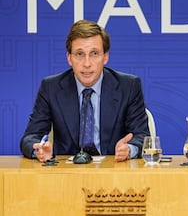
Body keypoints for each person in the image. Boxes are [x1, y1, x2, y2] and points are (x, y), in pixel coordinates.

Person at [20, 20, 150, 162]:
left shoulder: (128, 86)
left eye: (94, 53)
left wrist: (129, 150)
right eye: (80, 54)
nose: (87, 63)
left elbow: (142, 136)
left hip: (114, 172)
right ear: (69, 58)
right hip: (67, 175)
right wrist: (38, 149)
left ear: (105, 57)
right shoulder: (51, 87)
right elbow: (30, 137)